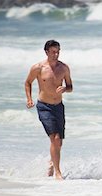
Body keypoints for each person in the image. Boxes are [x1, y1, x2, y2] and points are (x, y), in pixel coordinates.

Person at [25, 40, 73, 180]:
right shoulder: (38, 68)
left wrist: (65, 88)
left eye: (58, 51)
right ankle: (58, 172)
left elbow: (70, 86)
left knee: (59, 141)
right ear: (46, 52)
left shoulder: (64, 68)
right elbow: (28, 82)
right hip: (44, 106)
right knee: (55, 138)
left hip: (58, 106)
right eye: (53, 52)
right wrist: (29, 99)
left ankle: (52, 162)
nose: (56, 54)